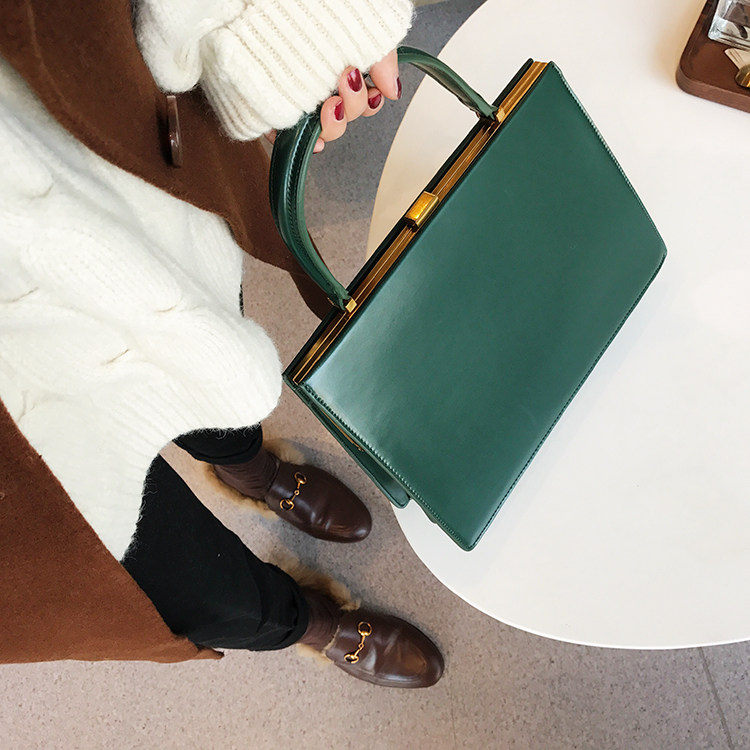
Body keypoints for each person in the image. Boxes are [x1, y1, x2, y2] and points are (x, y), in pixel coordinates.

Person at [0, 0, 443, 687]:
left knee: (199, 357)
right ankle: (311, 623)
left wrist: (262, 21)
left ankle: (249, 469)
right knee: (186, 590)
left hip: (60, 184)